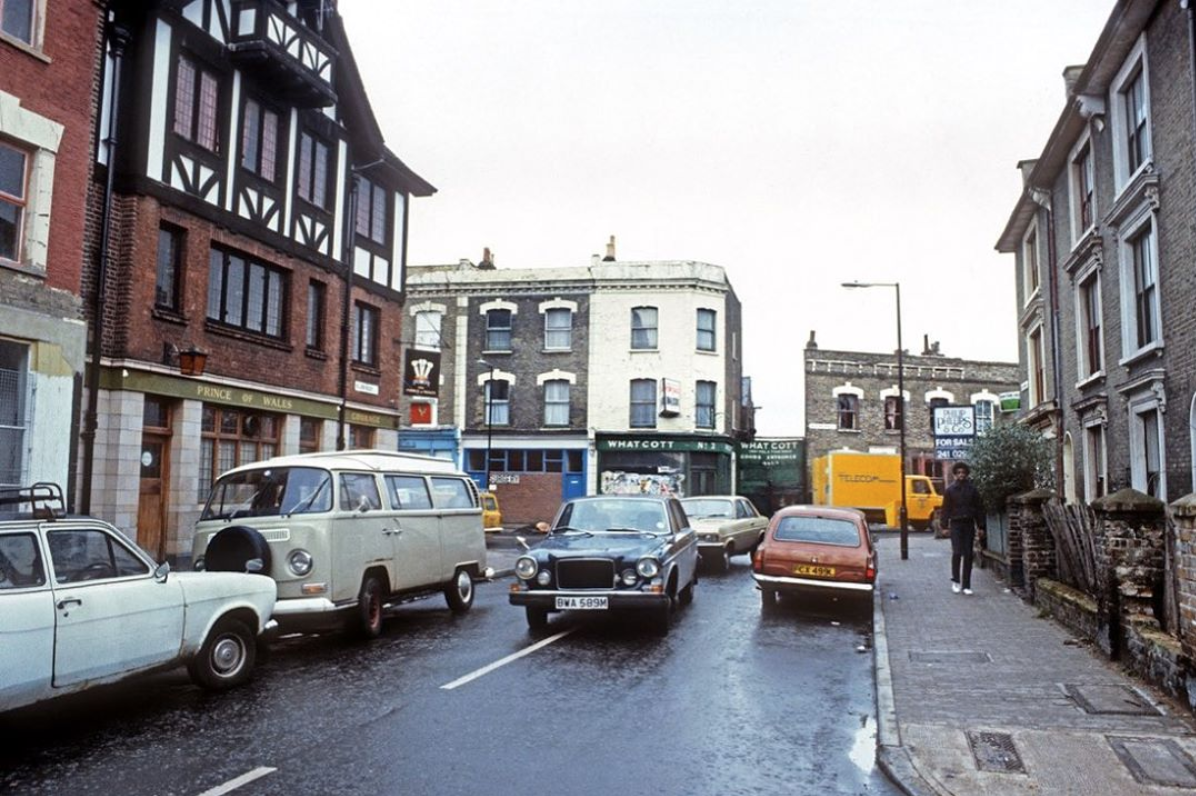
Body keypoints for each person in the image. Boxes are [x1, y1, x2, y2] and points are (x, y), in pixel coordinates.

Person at [942, 461, 985, 595]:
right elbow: (945, 509)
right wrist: (944, 526)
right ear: (955, 474)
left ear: (966, 474)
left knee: (968, 554)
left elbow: (979, 509)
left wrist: (981, 526)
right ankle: (956, 581)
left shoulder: (972, 490)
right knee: (957, 552)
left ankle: (966, 585)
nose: (961, 475)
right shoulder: (950, 490)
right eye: (958, 472)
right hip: (956, 524)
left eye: (963, 472)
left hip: (968, 524)